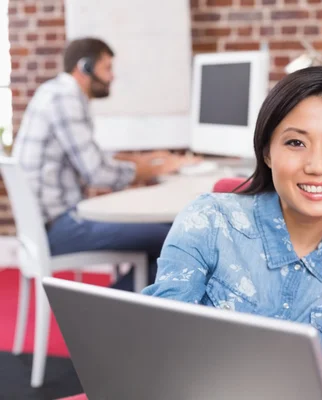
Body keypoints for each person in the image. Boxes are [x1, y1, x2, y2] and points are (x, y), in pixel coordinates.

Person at [142, 65, 322, 363]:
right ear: (267, 152)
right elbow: (157, 346)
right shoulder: (209, 221)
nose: (317, 165)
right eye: (296, 142)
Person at [12, 38, 191, 291]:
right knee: (175, 237)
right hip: (59, 228)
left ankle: (119, 307)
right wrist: (158, 168)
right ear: (84, 67)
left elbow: (91, 156)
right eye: (107, 68)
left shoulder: (54, 92)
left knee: (164, 232)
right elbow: (97, 173)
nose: (112, 77)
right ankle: (105, 312)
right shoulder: (65, 99)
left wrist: (140, 160)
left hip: (51, 223)